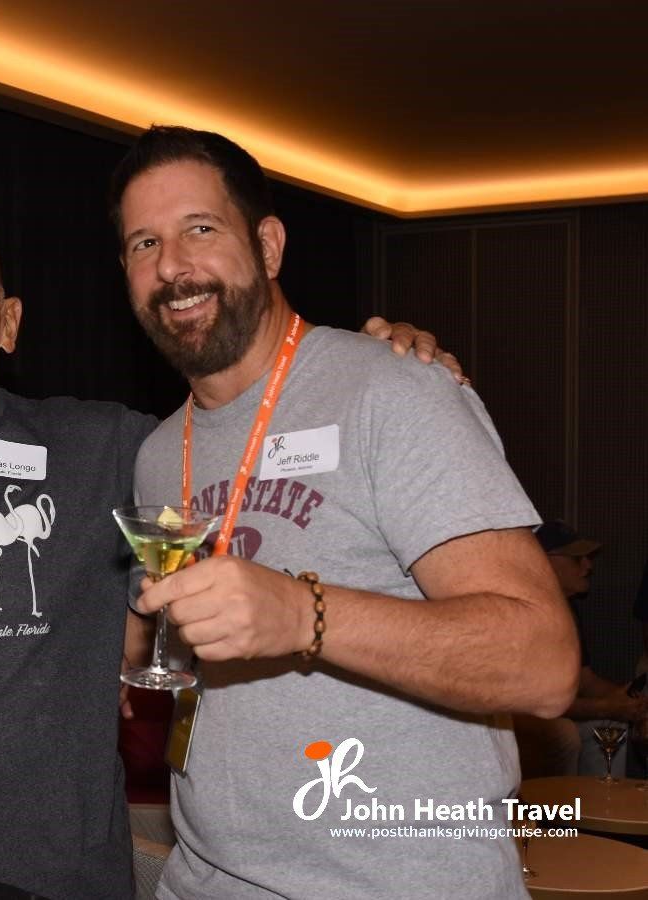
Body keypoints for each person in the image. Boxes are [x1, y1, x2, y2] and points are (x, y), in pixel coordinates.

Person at [0, 222, 462, 898]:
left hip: (62, 877)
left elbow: (249, 444)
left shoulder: (102, 445)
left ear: (7, 324)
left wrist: (368, 367)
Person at [114, 127, 579, 899]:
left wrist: (304, 614)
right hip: (207, 879)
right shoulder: (160, 453)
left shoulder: (394, 391)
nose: (170, 265)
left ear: (267, 245)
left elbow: (543, 665)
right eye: (143, 243)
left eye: (199, 228)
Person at [515, 521, 648, 777]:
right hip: (518, 715)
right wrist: (605, 706)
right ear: (544, 562)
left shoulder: (568, 609)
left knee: (611, 724)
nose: (588, 565)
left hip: (554, 708)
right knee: (565, 735)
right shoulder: (523, 614)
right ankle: (560, 803)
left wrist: (627, 701)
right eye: (577, 559)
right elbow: (537, 702)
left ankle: (601, 799)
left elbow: (585, 680)